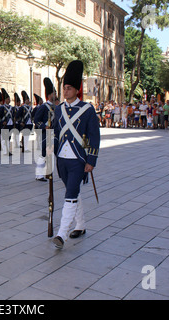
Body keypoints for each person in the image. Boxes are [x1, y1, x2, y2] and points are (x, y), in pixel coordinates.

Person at [52, 60, 100, 249]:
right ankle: (80, 225)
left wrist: (91, 160)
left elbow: (94, 136)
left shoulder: (87, 110)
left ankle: (61, 234)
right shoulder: (59, 109)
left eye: (69, 88)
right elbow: (56, 134)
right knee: (73, 191)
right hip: (62, 160)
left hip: (78, 160)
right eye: (64, 88)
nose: (65, 91)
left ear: (77, 89)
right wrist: (50, 155)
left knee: (70, 193)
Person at [34, 78, 56, 182]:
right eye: (53, 93)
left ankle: (49, 172)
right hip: (45, 134)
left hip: (53, 133)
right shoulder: (43, 107)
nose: (55, 94)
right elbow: (36, 120)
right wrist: (44, 126)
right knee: (43, 154)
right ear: (49, 95)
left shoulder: (56, 107)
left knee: (51, 154)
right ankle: (39, 174)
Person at [0, 88, 14, 156]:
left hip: (10, 124)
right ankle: (5, 151)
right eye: (8, 99)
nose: (9, 100)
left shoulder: (11, 108)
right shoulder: (2, 108)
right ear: (5, 100)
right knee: (4, 139)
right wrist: (2, 122)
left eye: (9, 99)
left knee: (8, 138)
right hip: (4, 125)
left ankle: (8, 150)